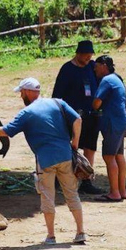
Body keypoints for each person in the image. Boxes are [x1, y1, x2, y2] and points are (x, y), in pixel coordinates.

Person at [0, 77, 86, 245]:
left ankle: (51, 236)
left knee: (47, 197)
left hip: (45, 160)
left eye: (22, 92)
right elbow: (78, 120)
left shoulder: (27, 113)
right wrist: (74, 143)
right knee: (72, 194)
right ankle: (80, 232)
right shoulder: (58, 103)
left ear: (27, 92)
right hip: (66, 156)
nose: (21, 96)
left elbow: (6, 131)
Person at [52, 40, 103, 194]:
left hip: (91, 116)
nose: (88, 58)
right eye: (86, 55)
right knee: (67, 146)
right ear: (78, 53)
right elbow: (57, 95)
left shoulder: (92, 67)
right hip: (71, 117)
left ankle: (86, 181)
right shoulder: (67, 69)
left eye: (90, 55)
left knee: (90, 148)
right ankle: (58, 179)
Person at [92, 56, 126, 202]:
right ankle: (122, 191)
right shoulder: (117, 79)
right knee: (119, 156)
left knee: (109, 157)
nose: (95, 69)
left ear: (104, 66)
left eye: (96, 66)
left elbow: (97, 103)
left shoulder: (107, 80)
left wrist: (93, 107)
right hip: (121, 122)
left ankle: (114, 192)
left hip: (112, 123)